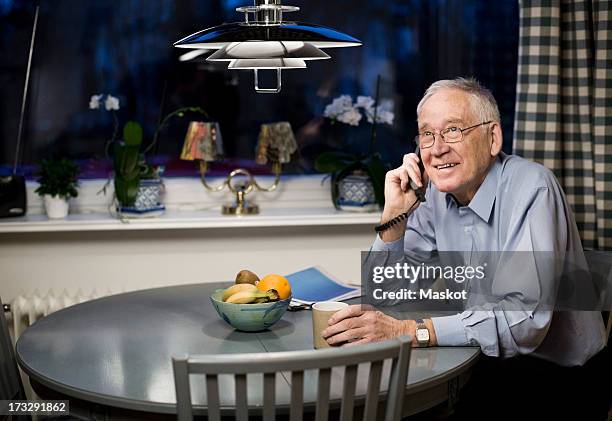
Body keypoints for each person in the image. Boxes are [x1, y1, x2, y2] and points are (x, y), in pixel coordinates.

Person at [321, 78, 609, 419]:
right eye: (427, 134)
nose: (437, 148)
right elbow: (385, 294)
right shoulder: (435, 196)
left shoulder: (533, 188)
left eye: (453, 130)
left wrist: (409, 331)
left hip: (558, 375)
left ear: (493, 138)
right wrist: (393, 217)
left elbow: (524, 322)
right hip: (484, 359)